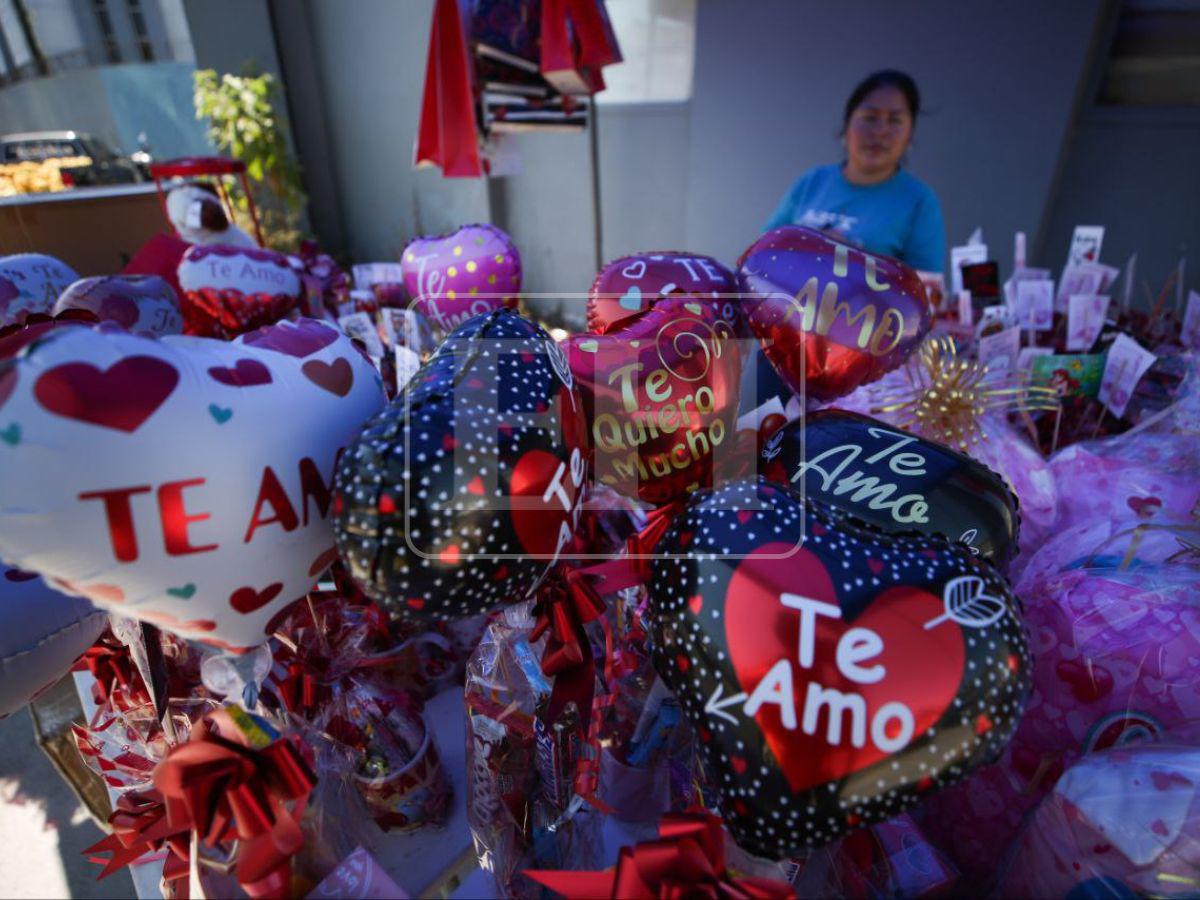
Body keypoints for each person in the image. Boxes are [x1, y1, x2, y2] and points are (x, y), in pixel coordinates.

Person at [765, 69, 945, 274]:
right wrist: (809, 246)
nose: (880, 131)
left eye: (895, 120)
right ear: (846, 125)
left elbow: (924, 292)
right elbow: (762, 254)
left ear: (910, 135)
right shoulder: (811, 182)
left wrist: (853, 262)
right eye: (870, 117)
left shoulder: (919, 201)